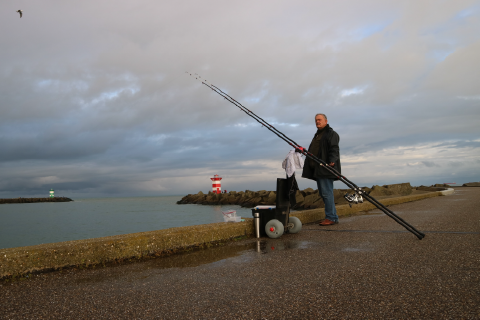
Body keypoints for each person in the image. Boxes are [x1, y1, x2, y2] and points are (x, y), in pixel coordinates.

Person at [301, 113, 341, 225]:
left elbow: (334, 148)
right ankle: (332, 217)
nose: (317, 122)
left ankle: (331, 217)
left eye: (319, 120)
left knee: (327, 193)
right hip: (318, 170)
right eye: (316, 120)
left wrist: (332, 161)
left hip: (326, 168)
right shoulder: (318, 135)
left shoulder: (331, 134)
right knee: (324, 194)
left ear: (326, 121)